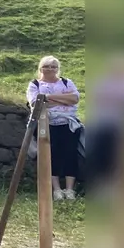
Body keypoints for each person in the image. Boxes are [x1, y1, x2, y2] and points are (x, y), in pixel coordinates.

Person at [27, 55, 84, 200]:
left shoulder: (66, 82)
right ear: (41, 68)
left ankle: (70, 190)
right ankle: (57, 189)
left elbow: (75, 99)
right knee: (51, 155)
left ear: (57, 69)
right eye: (47, 66)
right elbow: (36, 103)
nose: (50, 69)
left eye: (53, 66)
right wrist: (64, 99)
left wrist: (48, 97)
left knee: (71, 154)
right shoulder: (35, 84)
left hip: (69, 123)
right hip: (47, 124)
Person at [88, 55, 124, 193]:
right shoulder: (104, 83)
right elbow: (98, 100)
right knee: (102, 152)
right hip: (104, 123)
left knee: (120, 154)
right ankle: (103, 184)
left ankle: (119, 184)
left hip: (123, 124)